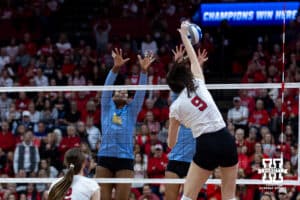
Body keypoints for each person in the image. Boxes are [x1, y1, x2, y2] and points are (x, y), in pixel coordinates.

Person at [167, 21, 238, 200]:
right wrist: (184, 35)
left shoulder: (175, 108)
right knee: (229, 196)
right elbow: (192, 58)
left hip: (206, 144)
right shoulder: (198, 82)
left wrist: (180, 123)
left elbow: (170, 144)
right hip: (226, 139)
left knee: (189, 195)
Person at [96, 48, 154, 200]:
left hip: (125, 159)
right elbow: (107, 87)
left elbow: (141, 92)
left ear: (128, 97)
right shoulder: (106, 105)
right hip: (105, 157)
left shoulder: (132, 110)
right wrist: (115, 68)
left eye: (125, 91)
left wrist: (143, 72)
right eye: (117, 91)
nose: (121, 92)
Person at [165, 44, 208, 200]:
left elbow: (198, 82)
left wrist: (198, 65)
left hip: (193, 162)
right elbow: (175, 83)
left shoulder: (199, 101)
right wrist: (177, 63)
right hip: (175, 158)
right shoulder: (177, 101)